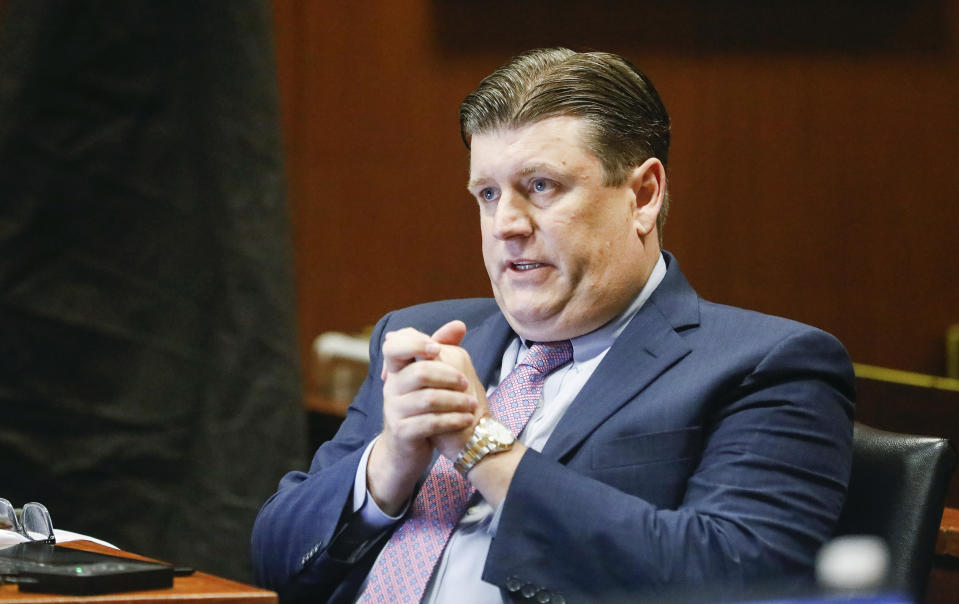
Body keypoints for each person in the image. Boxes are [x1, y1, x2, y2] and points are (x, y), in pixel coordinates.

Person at [250, 48, 855, 603]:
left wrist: (481, 445)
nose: (505, 224)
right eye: (487, 194)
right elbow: (275, 560)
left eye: (540, 187)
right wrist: (388, 465)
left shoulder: (769, 365)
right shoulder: (420, 335)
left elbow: (731, 580)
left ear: (642, 195)